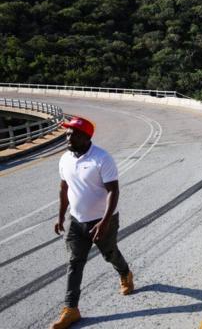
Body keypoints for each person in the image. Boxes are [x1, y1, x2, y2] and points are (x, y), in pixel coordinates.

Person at [51, 117, 134, 329]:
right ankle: (71, 309)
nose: (67, 137)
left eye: (73, 134)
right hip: (76, 220)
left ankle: (125, 273)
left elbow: (113, 190)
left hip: (102, 220)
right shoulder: (65, 159)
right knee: (74, 262)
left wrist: (105, 221)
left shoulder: (102, 158)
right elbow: (64, 189)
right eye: (67, 133)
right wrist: (61, 216)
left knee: (109, 253)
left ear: (86, 137)